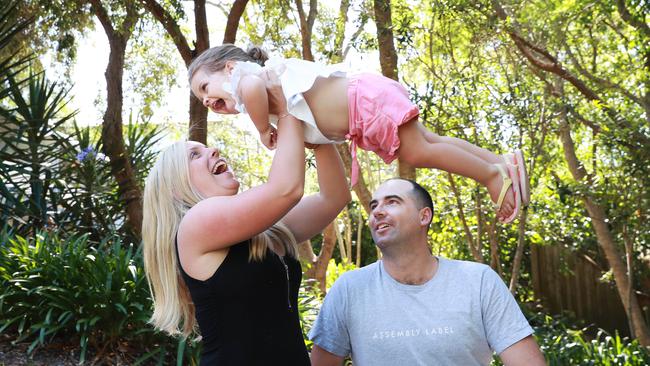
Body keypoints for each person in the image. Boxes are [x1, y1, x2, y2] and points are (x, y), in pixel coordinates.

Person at [187, 44, 531, 224]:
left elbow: (251, 91)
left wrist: (263, 129)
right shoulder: (265, 88)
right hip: (364, 103)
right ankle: (500, 162)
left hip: (363, 104)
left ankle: (490, 176)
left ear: (229, 67)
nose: (206, 100)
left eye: (205, 86)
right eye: (200, 99)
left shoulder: (248, 77)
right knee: (429, 142)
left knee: (417, 152)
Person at [141, 71, 351, 365]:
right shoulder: (196, 225)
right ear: (176, 190)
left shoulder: (265, 233)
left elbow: (334, 197)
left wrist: (313, 133)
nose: (212, 150)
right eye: (194, 156)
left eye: (205, 148)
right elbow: (286, 189)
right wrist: (285, 107)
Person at [308, 178, 546, 366]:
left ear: (424, 216)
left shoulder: (479, 281)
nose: (377, 212)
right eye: (374, 206)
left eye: (392, 202)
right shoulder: (349, 288)